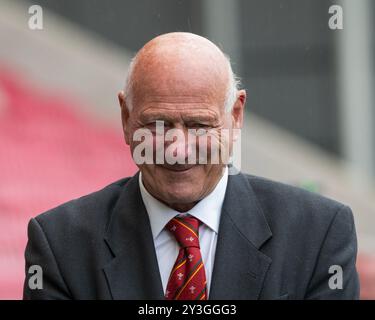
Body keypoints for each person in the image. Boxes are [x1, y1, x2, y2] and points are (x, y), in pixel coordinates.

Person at [23, 32, 359, 300]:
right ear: (126, 118)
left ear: (236, 116)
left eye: (199, 125)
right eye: (157, 124)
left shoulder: (318, 234)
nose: (179, 150)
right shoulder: (61, 244)